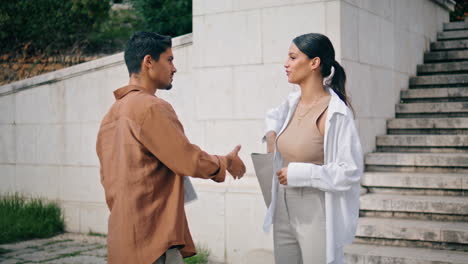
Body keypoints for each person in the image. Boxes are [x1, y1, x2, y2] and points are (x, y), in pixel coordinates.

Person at [96, 32, 246, 264]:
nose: (174, 68)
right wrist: (225, 161)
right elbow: (187, 159)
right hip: (152, 240)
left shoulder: (111, 115)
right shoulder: (151, 107)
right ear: (148, 62)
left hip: (122, 238)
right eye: (169, 60)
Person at [263, 33, 363, 264]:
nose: (285, 64)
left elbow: (350, 171)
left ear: (314, 63)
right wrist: (271, 136)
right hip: (282, 206)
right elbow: (272, 117)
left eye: (292, 57)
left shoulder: (336, 113)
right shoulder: (291, 103)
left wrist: (302, 173)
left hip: (316, 210)